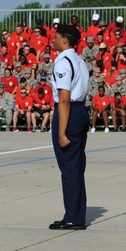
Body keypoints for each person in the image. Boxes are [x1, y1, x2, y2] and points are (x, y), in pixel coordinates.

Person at [49, 23, 90, 230]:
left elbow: (64, 99)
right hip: (81, 111)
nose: (53, 40)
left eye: (56, 37)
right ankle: (77, 213)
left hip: (69, 113)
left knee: (70, 167)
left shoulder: (63, 62)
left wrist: (61, 132)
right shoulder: (80, 61)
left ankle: (74, 216)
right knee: (76, 166)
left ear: (65, 39)